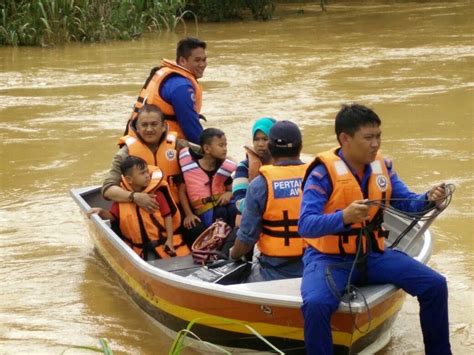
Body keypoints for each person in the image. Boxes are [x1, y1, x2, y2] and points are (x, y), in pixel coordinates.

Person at [298, 104, 451, 354]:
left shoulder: (382, 167)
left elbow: (409, 204)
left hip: (373, 256)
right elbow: (305, 225)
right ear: (345, 139)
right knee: (316, 304)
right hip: (329, 260)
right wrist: (344, 217)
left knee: (435, 285)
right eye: (368, 137)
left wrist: (428, 199)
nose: (375, 144)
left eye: (378, 136)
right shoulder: (321, 173)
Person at [230, 121, 307, 282]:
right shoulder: (318, 177)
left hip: (273, 270)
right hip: (314, 266)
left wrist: (233, 255)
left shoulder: (260, 184)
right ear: (300, 147)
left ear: (271, 148)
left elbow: (246, 238)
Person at [89, 156, 189, 260]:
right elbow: (113, 216)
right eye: (142, 173)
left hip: (163, 244)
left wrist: (169, 239)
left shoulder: (157, 194)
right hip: (138, 249)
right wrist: (101, 212)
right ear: (129, 179)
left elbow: (167, 216)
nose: (147, 176)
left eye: (147, 172)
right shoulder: (122, 198)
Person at [103, 104, 184, 211]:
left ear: (164, 126)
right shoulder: (125, 154)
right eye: (144, 125)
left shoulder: (179, 146)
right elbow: (108, 190)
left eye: (154, 124)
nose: (149, 129)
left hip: (177, 208)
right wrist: (134, 196)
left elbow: (208, 153)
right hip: (142, 211)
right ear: (137, 127)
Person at [127, 37, 207, 144]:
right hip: (161, 145)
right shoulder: (181, 86)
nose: (202, 65)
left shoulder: (167, 74)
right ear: (182, 61)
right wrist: (207, 149)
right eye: (197, 60)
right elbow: (190, 125)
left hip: (136, 140)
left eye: (204, 60)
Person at [178, 128, 237, 243]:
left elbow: (231, 189)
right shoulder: (191, 167)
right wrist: (188, 214)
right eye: (221, 145)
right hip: (204, 211)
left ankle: (230, 244)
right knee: (220, 213)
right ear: (206, 149)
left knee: (234, 209)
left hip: (221, 208)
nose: (225, 149)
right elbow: (182, 191)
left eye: (226, 145)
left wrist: (228, 194)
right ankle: (215, 244)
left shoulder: (223, 168)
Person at [232, 117, 276, 226]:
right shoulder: (244, 167)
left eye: (265, 139)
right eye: (256, 139)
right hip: (250, 222)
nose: (260, 144)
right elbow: (239, 200)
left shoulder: (285, 164)